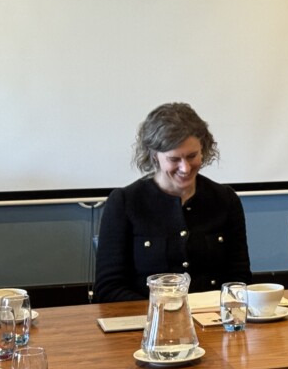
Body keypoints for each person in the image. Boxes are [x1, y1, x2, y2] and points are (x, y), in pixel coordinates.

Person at [95, 103, 251, 302]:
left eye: (192, 156)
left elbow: (239, 279)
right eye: (174, 159)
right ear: (154, 156)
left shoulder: (225, 199)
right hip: (147, 318)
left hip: (214, 316)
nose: (185, 168)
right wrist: (162, 312)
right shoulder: (124, 202)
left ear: (203, 149)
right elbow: (108, 289)